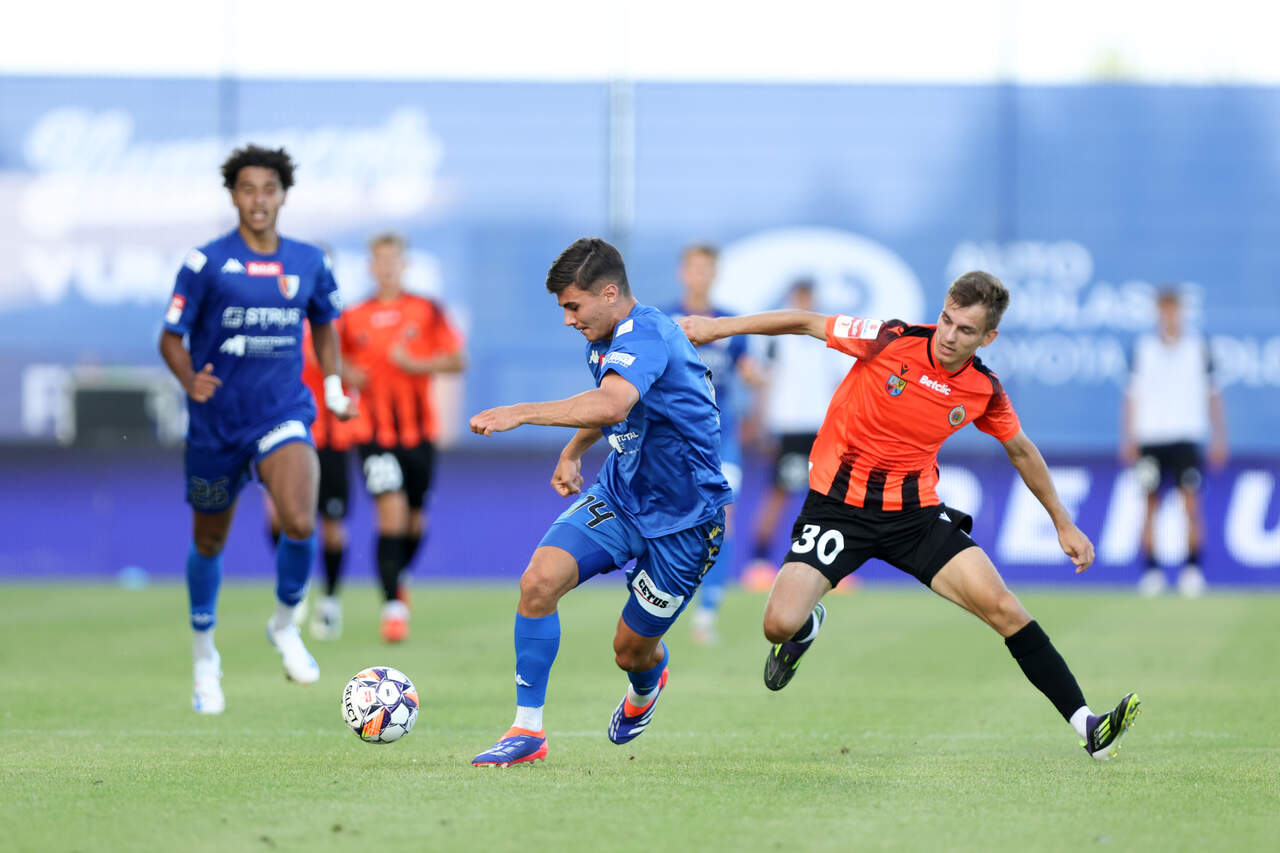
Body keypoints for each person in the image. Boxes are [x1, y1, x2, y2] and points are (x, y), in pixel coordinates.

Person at [680, 271, 1141, 761]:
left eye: (966, 330)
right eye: (947, 320)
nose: (949, 335)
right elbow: (805, 322)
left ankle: (1088, 726)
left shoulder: (983, 389)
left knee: (1004, 608)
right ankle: (806, 627)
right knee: (777, 625)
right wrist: (717, 327)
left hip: (914, 518)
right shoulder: (889, 339)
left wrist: (1063, 522)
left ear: (988, 338)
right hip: (838, 511)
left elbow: (1021, 450)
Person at [469, 237, 731, 767]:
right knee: (538, 582)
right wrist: (572, 452)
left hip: (685, 521)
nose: (568, 319)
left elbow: (612, 404)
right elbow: (617, 405)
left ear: (609, 293)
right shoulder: (602, 337)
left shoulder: (650, 332)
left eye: (573, 306)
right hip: (621, 495)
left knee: (630, 651)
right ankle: (527, 730)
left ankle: (647, 684)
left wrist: (520, 412)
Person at [159, 144, 355, 714]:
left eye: (269, 189)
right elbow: (170, 337)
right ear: (234, 196)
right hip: (217, 425)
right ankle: (204, 656)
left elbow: (326, 325)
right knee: (209, 541)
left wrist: (334, 388)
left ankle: (285, 623)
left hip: (282, 413)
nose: (259, 200)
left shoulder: (309, 260)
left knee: (300, 519)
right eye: (248, 189)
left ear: (284, 195)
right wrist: (189, 378)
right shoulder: (205, 262)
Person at [341, 232, 466, 642]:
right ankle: (393, 608)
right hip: (373, 433)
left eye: (393, 260)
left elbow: (457, 360)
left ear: (405, 264)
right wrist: (346, 372)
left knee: (415, 521)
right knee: (390, 512)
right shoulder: (353, 316)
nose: (387, 267)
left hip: (418, 434)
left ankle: (399, 577)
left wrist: (416, 364)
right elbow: (332, 359)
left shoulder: (426, 310)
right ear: (371, 267)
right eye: (380, 260)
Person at [663, 243, 763, 644]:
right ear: (682, 273)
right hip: (673, 439)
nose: (700, 276)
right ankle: (661, 604)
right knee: (671, 519)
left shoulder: (728, 323)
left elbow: (749, 370)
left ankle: (707, 614)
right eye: (694, 268)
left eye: (707, 269)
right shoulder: (664, 321)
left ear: (715, 274)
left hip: (720, 439)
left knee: (723, 517)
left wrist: (758, 377)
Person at [1121, 287, 1228, 598]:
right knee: (1149, 504)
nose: (1169, 315)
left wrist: (1219, 436)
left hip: (1186, 436)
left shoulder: (1198, 347)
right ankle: (1151, 571)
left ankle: (1192, 569)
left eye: (1173, 309)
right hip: (1151, 438)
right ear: (1157, 311)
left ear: (1181, 311)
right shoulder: (1143, 348)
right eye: (1164, 309)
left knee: (1191, 504)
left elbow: (1213, 394)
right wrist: (1129, 437)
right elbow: (1131, 396)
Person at [743, 279, 845, 586]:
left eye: (808, 297)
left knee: (829, 496)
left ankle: (832, 567)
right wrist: (761, 423)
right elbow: (765, 384)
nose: (804, 302)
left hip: (820, 428)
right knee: (779, 492)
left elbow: (839, 385)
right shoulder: (778, 339)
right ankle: (759, 563)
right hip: (787, 426)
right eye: (799, 297)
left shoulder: (829, 337)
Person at [264, 318, 356, 640]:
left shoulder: (340, 324)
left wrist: (336, 369)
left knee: (331, 526)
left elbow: (363, 371)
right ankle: (295, 588)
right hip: (284, 435)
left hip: (330, 440)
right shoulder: (274, 318)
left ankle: (329, 601)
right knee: (278, 517)